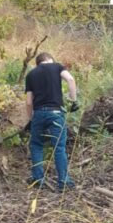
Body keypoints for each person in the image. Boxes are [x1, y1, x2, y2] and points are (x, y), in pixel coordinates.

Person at [25, 52, 78, 192]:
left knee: (36, 145)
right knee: (59, 147)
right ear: (50, 60)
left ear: (37, 63)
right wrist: (74, 101)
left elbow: (29, 102)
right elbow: (71, 80)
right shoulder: (56, 67)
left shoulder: (31, 75)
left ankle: (38, 179)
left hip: (38, 113)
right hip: (55, 112)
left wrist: (31, 119)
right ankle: (64, 181)